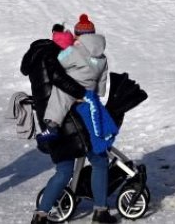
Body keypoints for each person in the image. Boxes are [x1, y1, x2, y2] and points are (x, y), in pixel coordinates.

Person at [26, 16, 118, 224]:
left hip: (68, 112)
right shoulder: (102, 58)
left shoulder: (72, 52)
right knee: (99, 161)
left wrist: (59, 41)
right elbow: (102, 88)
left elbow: (57, 67)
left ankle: (40, 215)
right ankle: (100, 211)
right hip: (87, 108)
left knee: (64, 168)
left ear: (78, 35)